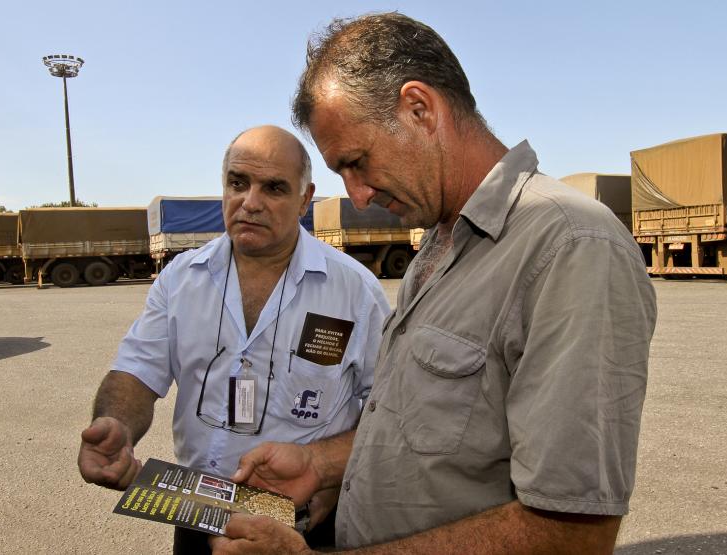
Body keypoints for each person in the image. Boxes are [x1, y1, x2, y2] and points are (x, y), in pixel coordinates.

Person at [209, 13, 657, 555]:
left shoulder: (570, 246)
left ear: (419, 109)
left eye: (357, 162)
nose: (358, 197)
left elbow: (572, 534)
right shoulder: (440, 244)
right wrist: (318, 464)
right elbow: (429, 436)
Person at [77, 125, 390, 554]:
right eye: (238, 183)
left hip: (306, 522)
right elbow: (136, 371)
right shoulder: (181, 279)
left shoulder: (355, 291)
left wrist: (330, 473)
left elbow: (387, 410)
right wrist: (116, 424)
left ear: (305, 199)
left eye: (274, 188)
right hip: (196, 511)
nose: (250, 202)